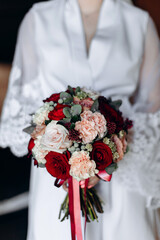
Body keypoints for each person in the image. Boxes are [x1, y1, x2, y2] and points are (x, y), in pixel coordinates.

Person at [0, 0, 160, 239]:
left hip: (123, 172)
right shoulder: (39, 17)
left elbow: (152, 108)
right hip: (56, 175)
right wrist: (62, 152)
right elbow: (23, 103)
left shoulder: (138, 22)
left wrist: (108, 152)